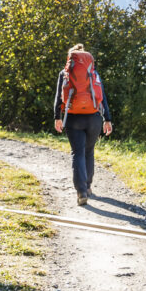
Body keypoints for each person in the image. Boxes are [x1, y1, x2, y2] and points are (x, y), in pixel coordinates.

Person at [53, 44, 112, 205]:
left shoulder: (65, 73)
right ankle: (88, 186)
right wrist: (107, 119)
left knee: (77, 153)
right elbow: (103, 97)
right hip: (93, 118)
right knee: (89, 151)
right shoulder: (93, 73)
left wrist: (57, 117)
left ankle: (81, 192)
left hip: (73, 118)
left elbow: (59, 97)